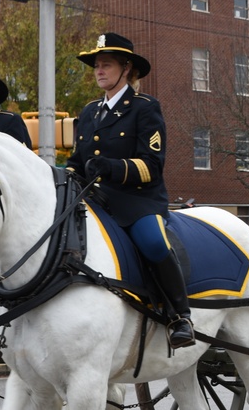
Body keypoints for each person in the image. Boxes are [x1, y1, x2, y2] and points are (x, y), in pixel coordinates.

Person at [67, 32, 194, 348]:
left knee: (153, 243)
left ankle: (180, 316)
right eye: (96, 65)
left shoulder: (145, 108)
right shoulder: (89, 112)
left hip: (137, 200)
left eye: (106, 64)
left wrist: (112, 167)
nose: (98, 71)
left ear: (126, 68)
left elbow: (152, 165)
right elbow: (75, 162)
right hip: (95, 199)